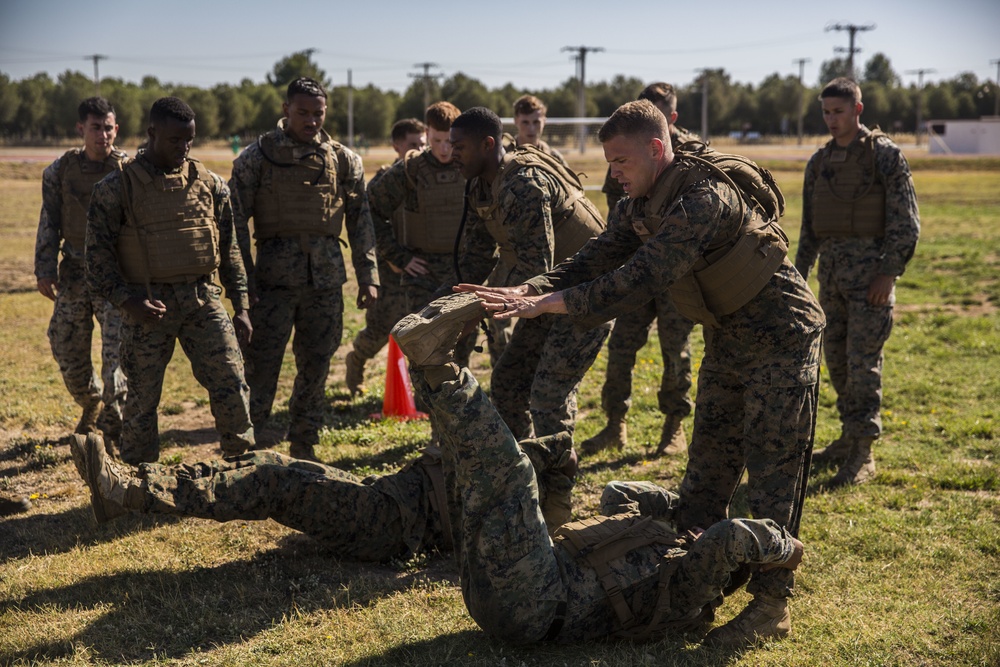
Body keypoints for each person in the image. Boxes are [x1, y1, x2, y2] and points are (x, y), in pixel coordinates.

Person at [74, 293, 805, 647]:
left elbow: (739, 535)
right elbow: (625, 491)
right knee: (286, 475)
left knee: (508, 475)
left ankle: (437, 367)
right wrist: (679, 504)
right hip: (415, 510)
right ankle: (134, 488)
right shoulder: (651, 520)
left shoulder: (685, 576)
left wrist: (780, 547)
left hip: (512, 584)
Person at [460, 101, 825, 649]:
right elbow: (598, 254)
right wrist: (529, 290)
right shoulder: (642, 199)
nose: (613, 173)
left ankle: (772, 607)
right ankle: (694, 586)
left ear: (657, 149)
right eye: (610, 163)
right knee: (706, 471)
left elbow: (640, 277)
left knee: (773, 474)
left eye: (622, 161)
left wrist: (555, 304)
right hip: (729, 337)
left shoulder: (703, 198)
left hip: (784, 337)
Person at [86, 96, 255, 465]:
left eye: (189, 140)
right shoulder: (117, 188)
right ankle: (139, 480)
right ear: (151, 134)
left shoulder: (210, 184)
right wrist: (128, 302)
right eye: (174, 140)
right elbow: (96, 260)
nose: (183, 148)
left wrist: (241, 307)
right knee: (143, 400)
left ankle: (242, 466)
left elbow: (230, 251)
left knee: (231, 380)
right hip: (148, 308)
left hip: (202, 301)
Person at [229, 77, 379, 460]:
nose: (311, 121)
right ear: (286, 110)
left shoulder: (344, 160)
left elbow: (361, 222)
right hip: (272, 286)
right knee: (261, 369)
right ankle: (248, 451)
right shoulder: (257, 157)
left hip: (326, 284)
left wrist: (369, 276)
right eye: (303, 113)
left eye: (318, 113)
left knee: (315, 368)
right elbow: (233, 227)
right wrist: (242, 287)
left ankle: (304, 446)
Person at [450, 107, 609, 440]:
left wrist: (480, 309)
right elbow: (476, 258)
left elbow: (538, 270)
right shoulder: (481, 186)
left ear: (486, 144)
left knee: (549, 395)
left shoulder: (523, 186)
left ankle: (556, 482)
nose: (452, 155)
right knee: (509, 382)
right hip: (545, 296)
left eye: (459, 147)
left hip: (586, 295)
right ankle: (525, 470)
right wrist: (446, 309)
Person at [796, 77, 920, 487]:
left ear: (858, 110)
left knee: (862, 365)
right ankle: (849, 438)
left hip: (871, 281)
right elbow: (810, 228)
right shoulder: (820, 162)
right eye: (826, 112)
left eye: (839, 112)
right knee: (836, 363)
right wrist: (800, 277)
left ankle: (863, 454)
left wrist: (888, 273)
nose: (832, 120)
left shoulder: (885, 156)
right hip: (831, 280)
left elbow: (906, 222)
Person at [585, 82, 699, 456]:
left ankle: (674, 426)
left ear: (671, 118)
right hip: (635, 266)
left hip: (676, 272)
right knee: (621, 346)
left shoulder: (689, 157)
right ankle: (614, 423)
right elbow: (618, 207)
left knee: (674, 350)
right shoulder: (625, 153)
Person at [35, 97, 127, 439]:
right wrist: (44, 268)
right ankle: (91, 401)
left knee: (116, 355)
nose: (103, 135)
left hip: (116, 276)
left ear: (116, 129)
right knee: (63, 342)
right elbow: (49, 222)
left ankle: (113, 426)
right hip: (73, 271)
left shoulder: (128, 171)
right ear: (81, 129)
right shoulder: (60, 171)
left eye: (108, 128)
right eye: (95, 128)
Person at [345, 117, 426, 395]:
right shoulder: (384, 181)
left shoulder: (427, 180)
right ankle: (355, 362)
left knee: (421, 332)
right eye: (413, 144)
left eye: (423, 144)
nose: (419, 149)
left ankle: (420, 392)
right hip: (390, 271)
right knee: (379, 332)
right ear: (396, 145)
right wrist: (396, 258)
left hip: (422, 269)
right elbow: (372, 227)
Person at [504, 94, 568, 166]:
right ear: (516, 121)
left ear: (544, 121)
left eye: (536, 122)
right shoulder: (503, 156)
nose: (531, 128)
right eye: (525, 122)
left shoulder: (554, 158)